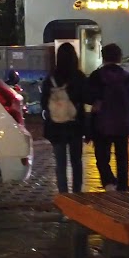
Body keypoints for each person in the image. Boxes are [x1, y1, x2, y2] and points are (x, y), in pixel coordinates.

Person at [87, 43, 129, 191]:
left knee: (101, 158)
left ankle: (109, 182)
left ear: (103, 57)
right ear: (119, 57)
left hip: (101, 124)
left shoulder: (96, 76)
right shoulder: (127, 77)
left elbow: (88, 98)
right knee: (122, 158)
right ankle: (123, 188)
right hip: (123, 124)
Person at [40, 43, 87, 193]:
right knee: (76, 163)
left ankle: (64, 197)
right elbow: (86, 97)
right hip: (75, 126)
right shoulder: (79, 77)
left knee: (60, 164)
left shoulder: (51, 78)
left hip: (56, 127)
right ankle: (77, 196)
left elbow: (43, 103)